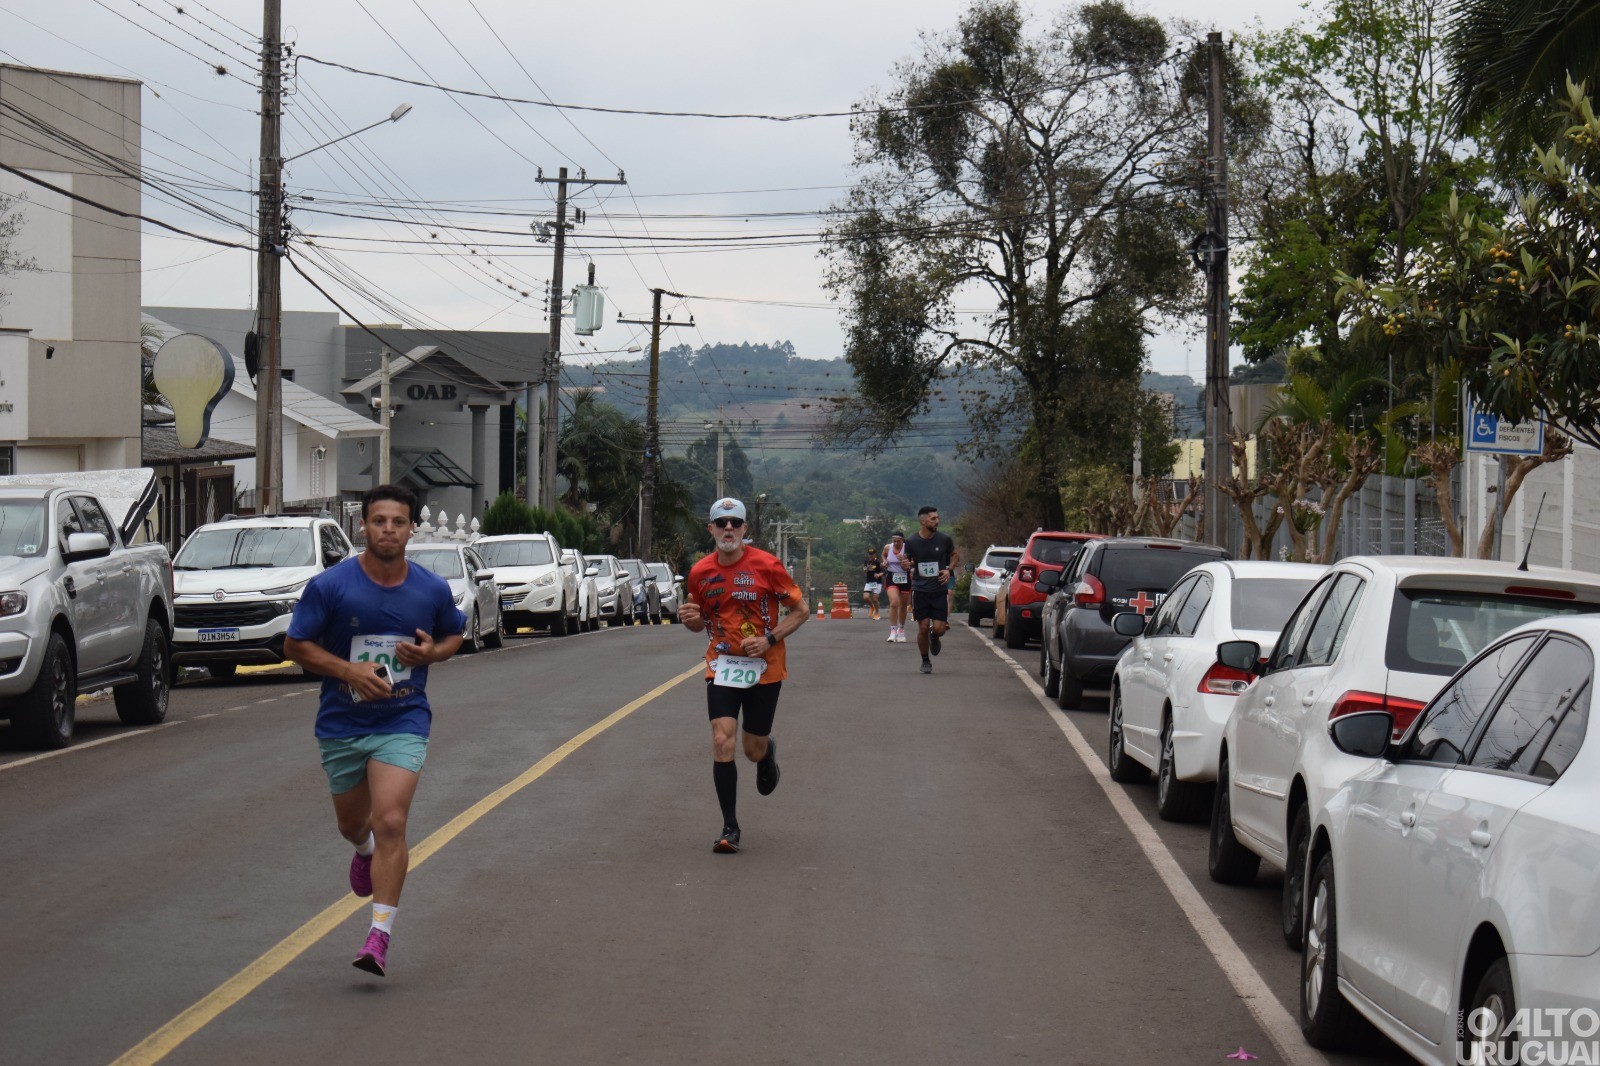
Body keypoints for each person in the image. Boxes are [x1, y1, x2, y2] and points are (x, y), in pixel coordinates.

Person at [284, 484, 466, 977]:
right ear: (363, 526)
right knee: (353, 825)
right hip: (342, 722)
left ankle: (378, 936)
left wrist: (431, 654)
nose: (389, 530)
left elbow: (454, 633)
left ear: (411, 529)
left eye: (398, 522)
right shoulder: (331, 586)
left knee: (390, 821)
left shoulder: (430, 589)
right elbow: (294, 645)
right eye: (379, 521)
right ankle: (362, 851)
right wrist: (349, 671)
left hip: (402, 719)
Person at [679, 497, 808, 854]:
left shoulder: (767, 565)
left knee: (751, 749)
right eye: (722, 523)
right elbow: (698, 621)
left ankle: (766, 753)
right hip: (721, 665)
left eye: (735, 522)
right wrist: (690, 621)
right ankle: (729, 828)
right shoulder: (700, 572)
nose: (729, 528)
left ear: (745, 528)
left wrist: (769, 640)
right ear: (711, 529)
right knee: (722, 740)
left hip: (765, 668)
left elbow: (801, 610)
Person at [901, 505, 959, 674]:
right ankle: (925, 660)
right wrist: (905, 564)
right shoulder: (911, 541)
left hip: (939, 589)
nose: (937, 521)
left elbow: (955, 555)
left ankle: (934, 637)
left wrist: (948, 570)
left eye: (937, 518)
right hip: (920, 589)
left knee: (940, 629)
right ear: (923, 521)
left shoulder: (944, 539)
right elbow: (906, 561)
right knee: (923, 627)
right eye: (933, 519)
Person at [882, 531, 911, 642]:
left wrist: (904, 561)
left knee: (903, 606)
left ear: (903, 541)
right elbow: (883, 555)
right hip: (892, 577)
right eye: (894, 541)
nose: (896, 543)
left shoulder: (908, 549)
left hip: (905, 577)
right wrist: (885, 561)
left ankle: (901, 630)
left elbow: (912, 563)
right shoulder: (888, 547)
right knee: (894, 603)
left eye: (898, 541)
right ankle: (893, 631)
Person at [862, 549, 883, 621]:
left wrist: (878, 575)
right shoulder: (866, 561)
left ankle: (877, 613)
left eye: (872, 554)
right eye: (870, 554)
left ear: (875, 554)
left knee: (875, 598)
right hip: (869, 582)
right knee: (866, 597)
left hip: (877, 582)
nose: (871, 555)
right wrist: (865, 569)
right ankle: (872, 607)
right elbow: (864, 569)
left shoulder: (878, 562)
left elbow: (884, 572)